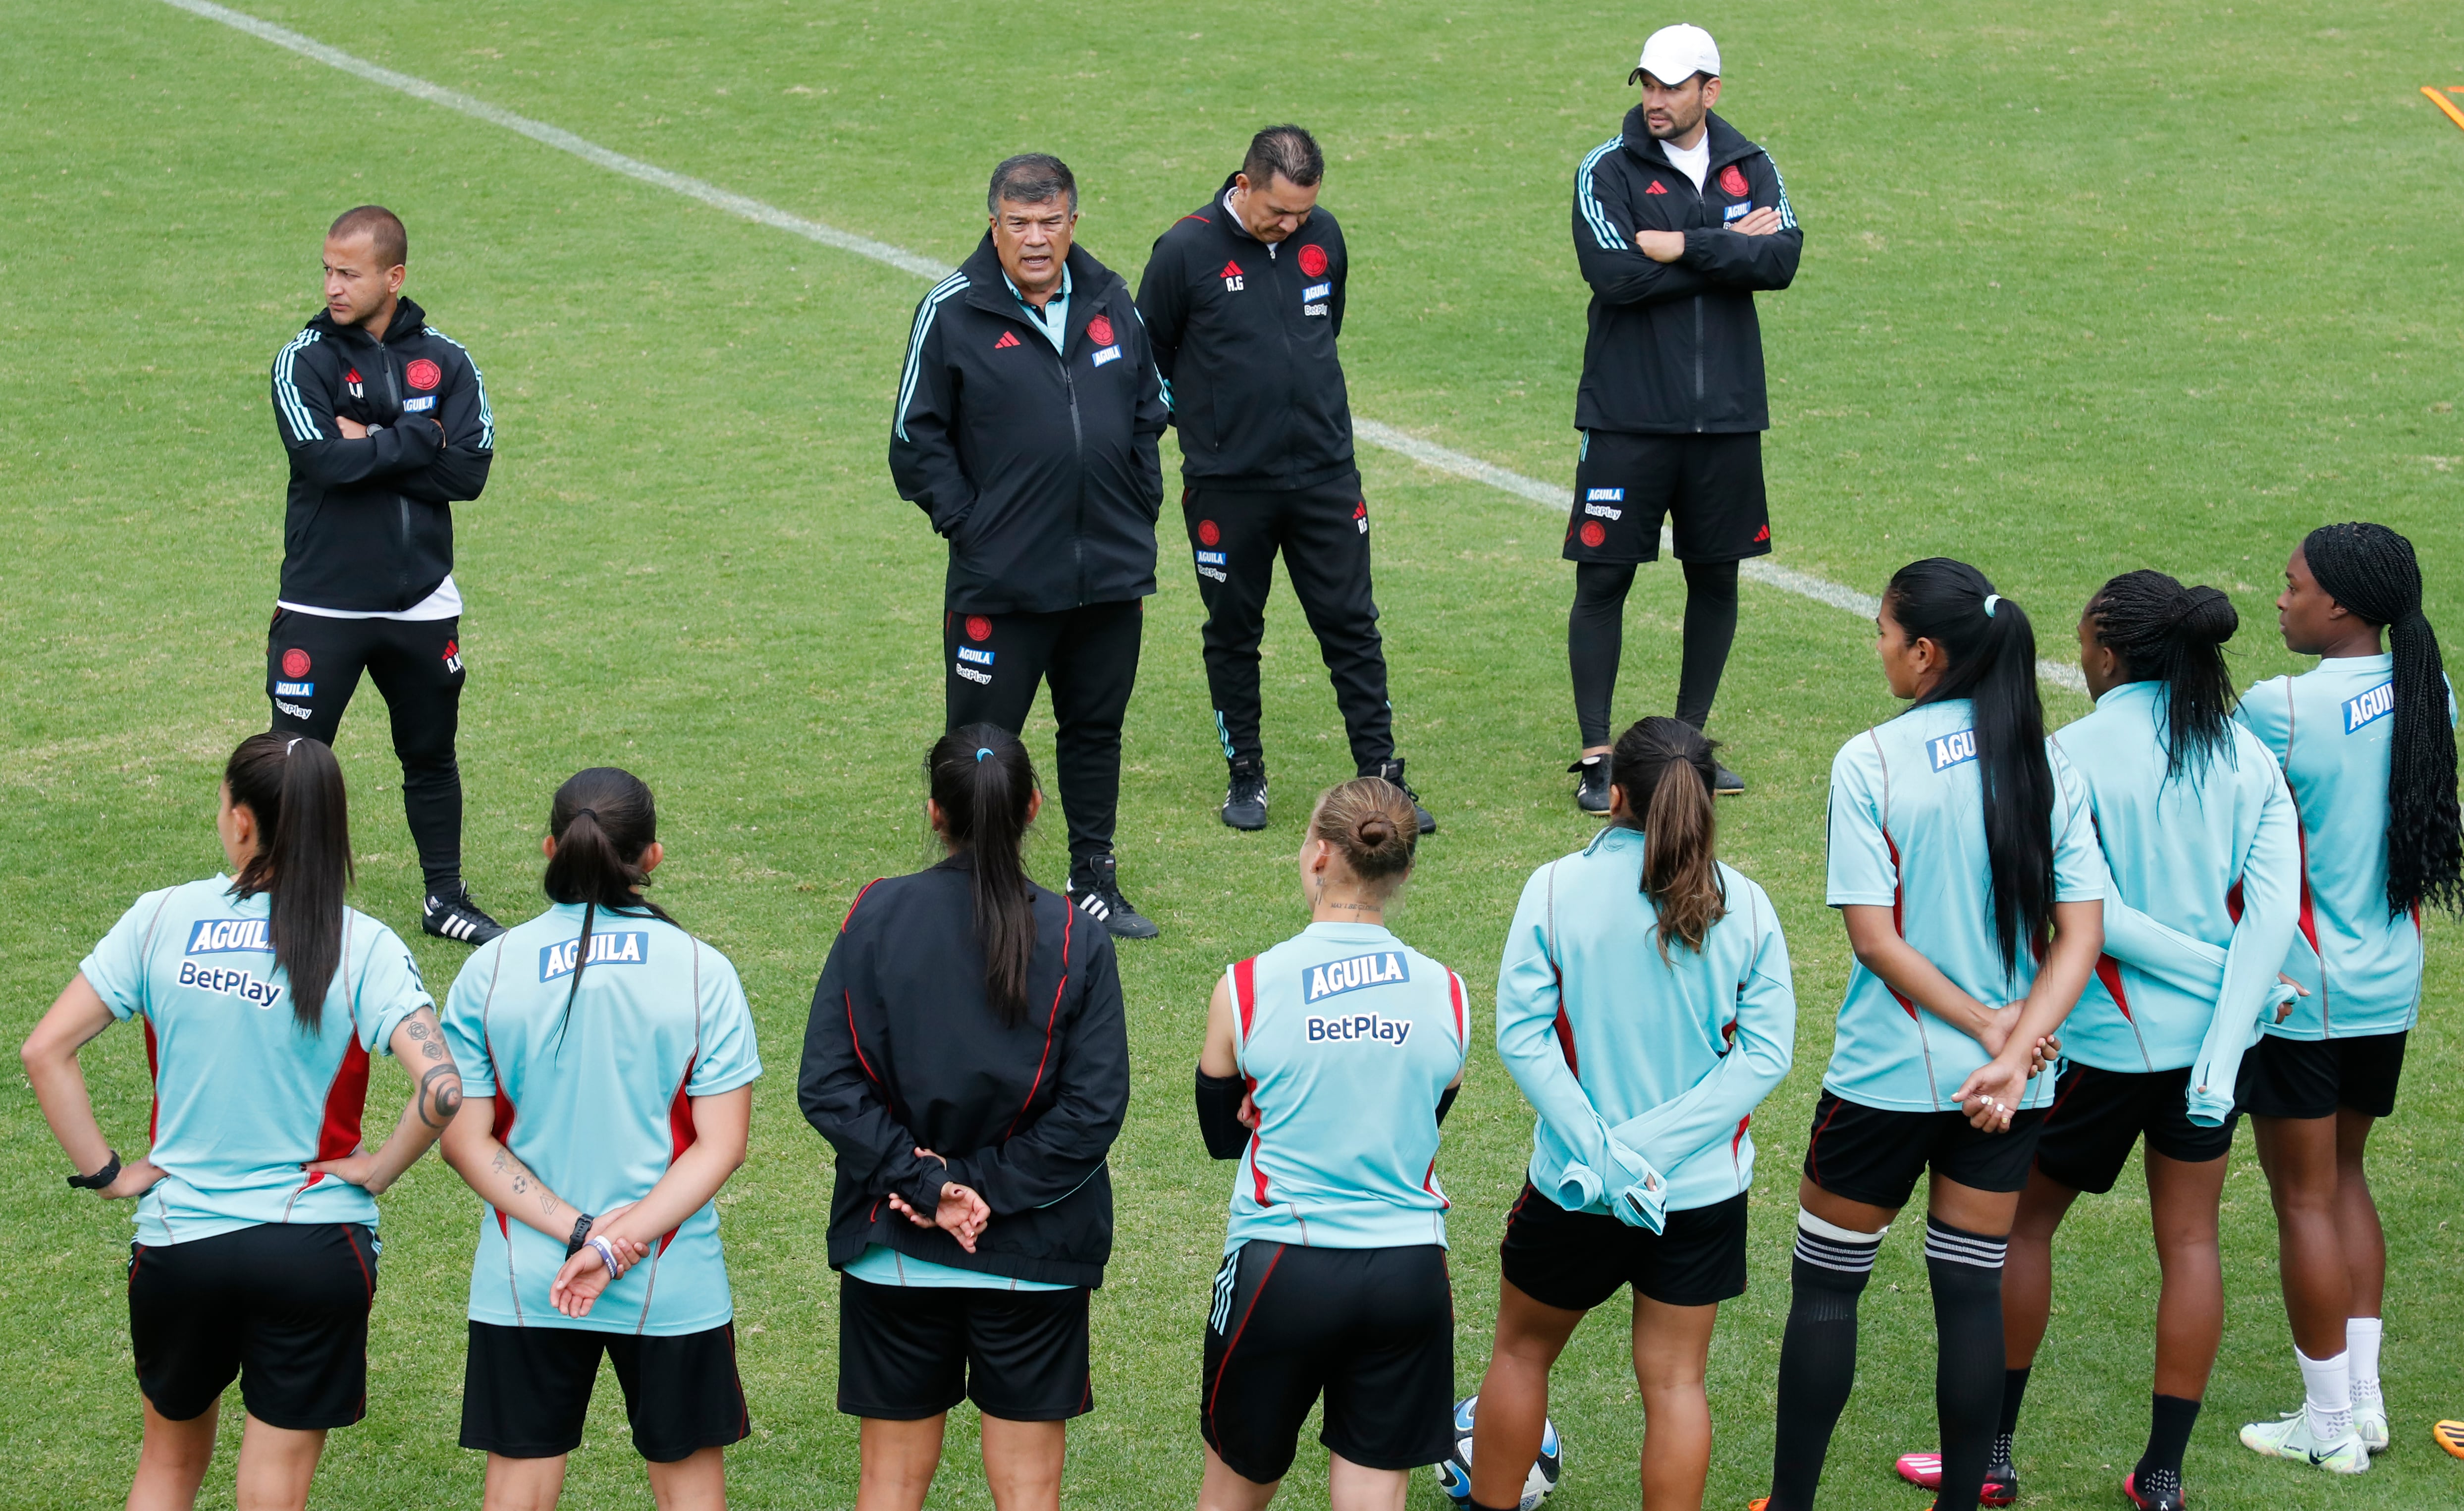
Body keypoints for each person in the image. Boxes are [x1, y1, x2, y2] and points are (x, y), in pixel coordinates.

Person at [20, 733, 457, 1511]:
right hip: (313, 1244)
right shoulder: (366, 944)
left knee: (166, 1471)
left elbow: (46, 1049)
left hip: (180, 1247)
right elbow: (444, 1092)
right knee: (272, 1491)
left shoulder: (161, 918)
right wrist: (381, 1168)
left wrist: (110, 1174)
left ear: (244, 822)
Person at [1752, 560, 2107, 1511]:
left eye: (1880, 631)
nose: (1876, 648)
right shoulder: (2048, 760)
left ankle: (1790, 1505)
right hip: (2009, 1091)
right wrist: (2015, 1041)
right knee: (1968, 1295)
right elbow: (2081, 935)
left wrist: (1991, 1027)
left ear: (1925, 651)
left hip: (1885, 1081)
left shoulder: (1870, 760)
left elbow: (1874, 938)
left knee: (1827, 1292)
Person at [1949, 572, 2297, 1511]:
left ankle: (1991, 1458)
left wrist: (2216, 986)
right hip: (2208, 1055)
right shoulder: (2246, 755)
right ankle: (2162, 1474)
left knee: (2023, 1224)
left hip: (2095, 1046)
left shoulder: (2066, 753)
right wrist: (2232, 1016)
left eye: (2081, 640)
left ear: (2107, 648)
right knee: (2190, 1241)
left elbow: (2089, 916)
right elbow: (2267, 925)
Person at [801, 726, 1131, 1511]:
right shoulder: (1079, 936)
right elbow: (1091, 1112)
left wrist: (928, 1185)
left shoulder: (875, 914)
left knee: (888, 1486)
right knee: (1026, 1491)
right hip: (1032, 1252)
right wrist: (974, 1187)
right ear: (1034, 808)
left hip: (898, 1245)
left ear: (933, 812)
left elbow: (829, 1083)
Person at [1472, 717, 1794, 1511]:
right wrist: (1653, 1149)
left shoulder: (1553, 888)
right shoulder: (1746, 906)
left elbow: (1521, 1034)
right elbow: (1762, 1055)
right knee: (1677, 1381)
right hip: (1697, 1195)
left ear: (1614, 794)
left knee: (1520, 1356)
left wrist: (1608, 1153)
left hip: (1575, 1186)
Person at [436, 767, 761, 1510]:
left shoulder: (488, 971)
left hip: (528, 1278)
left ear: (552, 847)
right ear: (653, 856)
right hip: (669, 1276)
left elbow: (466, 1141)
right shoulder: (701, 972)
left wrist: (577, 1231)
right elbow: (721, 1144)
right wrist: (613, 1245)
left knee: (519, 1485)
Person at [889, 154, 1171, 939]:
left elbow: (1152, 407)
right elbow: (915, 440)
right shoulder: (951, 310)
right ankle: (976, 891)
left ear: (1073, 222)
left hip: (1108, 576)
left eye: (1051, 222)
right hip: (1001, 585)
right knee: (980, 747)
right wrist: (972, 526)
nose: (1036, 239)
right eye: (1019, 224)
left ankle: (1094, 882)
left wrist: (1138, 500)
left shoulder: (1114, 298)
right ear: (994, 225)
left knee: (1095, 732)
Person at [2231, 523, 2460, 1473]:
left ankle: (2325, 1427)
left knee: (2302, 1198)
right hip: (2388, 983)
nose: (2278, 600)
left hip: (2299, 991)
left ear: (2342, 606)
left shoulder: (2277, 705)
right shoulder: (2429, 688)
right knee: (2347, 1177)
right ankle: (2361, 1401)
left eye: (2291, 587)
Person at [1136, 125, 1434, 836]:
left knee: (1352, 627)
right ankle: (1246, 774)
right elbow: (1148, 361)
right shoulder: (1184, 250)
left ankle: (1383, 777)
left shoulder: (1322, 237)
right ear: (1243, 186)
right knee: (1234, 632)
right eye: (1279, 211)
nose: (1292, 224)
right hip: (1227, 485)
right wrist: (1208, 430)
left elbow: (1321, 329)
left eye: (1303, 211)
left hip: (1326, 475)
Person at [1193, 776, 1468, 1511]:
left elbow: (1222, 1136)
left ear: (1318, 853)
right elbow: (1427, 1109)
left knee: (1234, 1492)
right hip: (1408, 1272)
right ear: (1404, 868)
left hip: (1282, 1266)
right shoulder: (1448, 992)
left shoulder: (1245, 987)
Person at [1564, 24, 1801, 809]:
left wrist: (1681, 244)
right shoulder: (1605, 168)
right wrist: (1725, 246)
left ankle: (1689, 746)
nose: (1655, 101)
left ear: (1711, 90)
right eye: (1646, 85)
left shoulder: (1751, 163)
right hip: (1629, 417)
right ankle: (1598, 759)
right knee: (1604, 579)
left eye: (1672, 86)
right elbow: (1615, 276)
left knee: (1716, 576)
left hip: (1727, 419)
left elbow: (1781, 261)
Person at [267, 204, 503, 945]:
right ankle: (285, 906)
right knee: (298, 762)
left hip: (421, 603)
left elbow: (468, 470)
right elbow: (321, 461)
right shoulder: (303, 359)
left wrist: (369, 438)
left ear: (393, 278)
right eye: (328, 270)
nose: (333, 286)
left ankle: (444, 898)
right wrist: (413, 437)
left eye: (350, 273)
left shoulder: (449, 360)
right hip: (322, 603)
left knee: (431, 754)